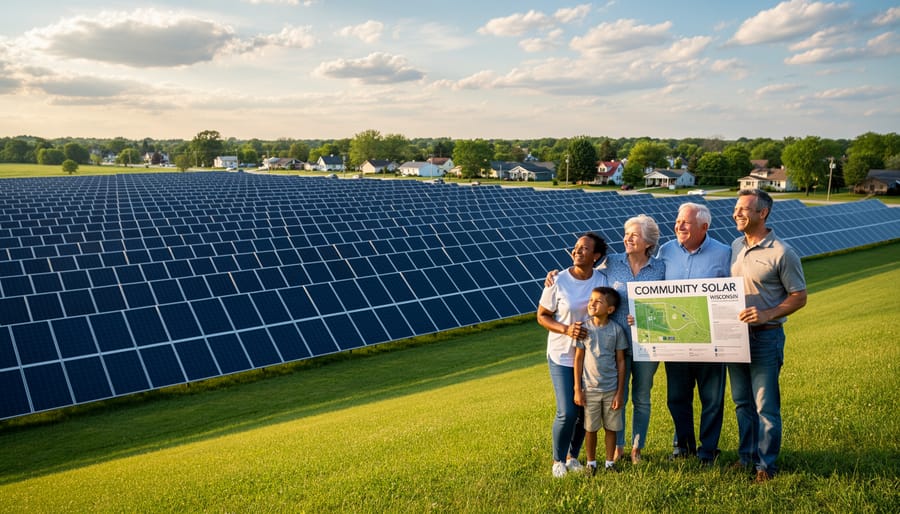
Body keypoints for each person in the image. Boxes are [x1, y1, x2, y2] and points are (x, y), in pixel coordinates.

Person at [547, 215, 665, 463]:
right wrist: (556, 275)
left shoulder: (660, 268)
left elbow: (668, 302)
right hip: (612, 346)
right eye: (626, 234)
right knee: (615, 397)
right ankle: (617, 448)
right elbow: (583, 272)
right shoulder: (611, 264)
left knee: (642, 397)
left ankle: (637, 448)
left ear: (648, 242)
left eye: (634, 235)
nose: (627, 238)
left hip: (647, 344)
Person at [728, 189, 807, 483]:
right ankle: (746, 457)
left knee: (766, 407)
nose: (736, 213)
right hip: (735, 338)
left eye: (744, 209)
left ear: (763, 213)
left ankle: (766, 465)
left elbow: (799, 296)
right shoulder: (735, 245)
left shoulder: (782, 253)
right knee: (742, 403)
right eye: (736, 208)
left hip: (766, 337)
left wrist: (767, 314)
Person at [655, 202, 732, 465]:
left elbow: (734, 292)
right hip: (676, 341)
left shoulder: (724, 253)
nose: (679, 226)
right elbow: (650, 285)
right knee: (677, 397)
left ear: (704, 226)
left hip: (712, 341)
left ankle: (708, 451)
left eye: (685, 222)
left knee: (712, 399)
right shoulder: (665, 251)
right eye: (678, 221)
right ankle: (683, 447)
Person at [537, 232, 609, 478]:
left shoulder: (602, 280)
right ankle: (557, 460)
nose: (577, 251)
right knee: (567, 411)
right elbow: (542, 316)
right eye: (576, 247)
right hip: (561, 355)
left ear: (596, 256)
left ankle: (573, 457)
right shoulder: (557, 280)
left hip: (590, 357)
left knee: (585, 411)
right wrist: (566, 329)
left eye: (585, 248)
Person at [573, 287, 628, 474]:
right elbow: (578, 359)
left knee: (611, 428)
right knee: (591, 428)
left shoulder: (617, 331)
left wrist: (619, 392)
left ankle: (610, 463)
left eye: (598, 301)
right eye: (591, 300)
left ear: (610, 309)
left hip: (611, 390)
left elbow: (621, 361)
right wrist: (577, 389)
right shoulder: (584, 330)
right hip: (590, 390)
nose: (592, 304)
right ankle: (591, 463)